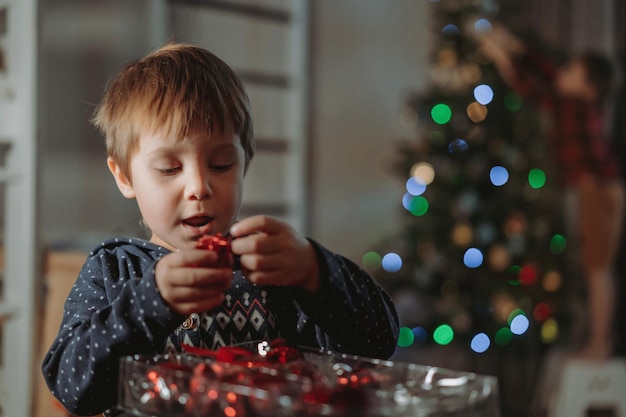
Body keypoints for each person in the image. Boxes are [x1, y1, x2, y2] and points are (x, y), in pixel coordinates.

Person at [41, 42, 399, 417]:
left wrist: (316, 270)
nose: (199, 186)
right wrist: (151, 301)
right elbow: (72, 388)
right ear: (124, 176)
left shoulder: (273, 266)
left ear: (244, 164)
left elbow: (378, 344)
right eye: (169, 168)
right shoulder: (114, 271)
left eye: (221, 164)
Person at [480, 26, 625, 360]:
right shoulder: (571, 101)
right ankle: (600, 341)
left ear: (589, 89)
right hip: (597, 191)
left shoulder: (574, 107)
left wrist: (505, 57)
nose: (563, 72)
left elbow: (532, 86)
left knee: (598, 270)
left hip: (599, 192)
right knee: (596, 270)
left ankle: (600, 344)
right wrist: (514, 48)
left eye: (573, 72)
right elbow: (546, 74)